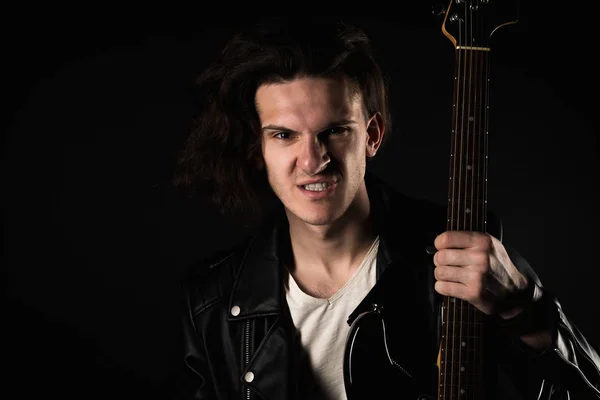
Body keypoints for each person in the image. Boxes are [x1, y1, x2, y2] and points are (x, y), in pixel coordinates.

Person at [172, 17, 600, 400]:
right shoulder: (214, 301)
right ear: (259, 147)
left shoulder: (462, 258)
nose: (312, 159)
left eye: (335, 131)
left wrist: (527, 313)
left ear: (372, 135)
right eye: (284, 135)